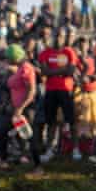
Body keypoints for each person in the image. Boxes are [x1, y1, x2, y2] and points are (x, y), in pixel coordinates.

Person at [38, 25, 80, 160]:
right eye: (55, 35)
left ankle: (75, 149)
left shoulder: (69, 52)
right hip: (50, 90)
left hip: (66, 90)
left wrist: (53, 72)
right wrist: (62, 71)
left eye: (60, 35)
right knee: (51, 122)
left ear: (65, 37)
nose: (58, 38)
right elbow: (44, 72)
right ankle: (50, 149)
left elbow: (71, 71)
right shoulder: (45, 52)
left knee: (71, 121)